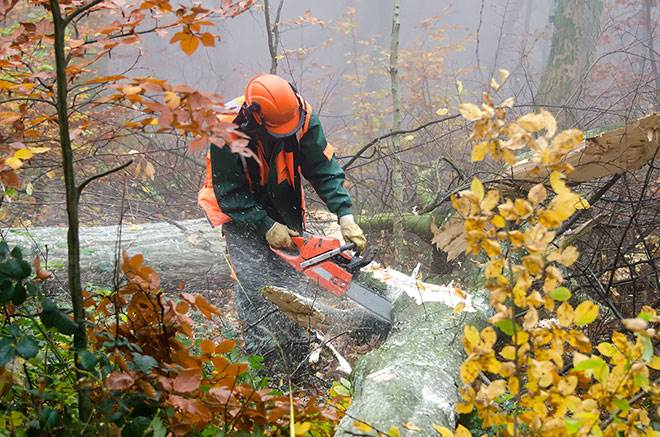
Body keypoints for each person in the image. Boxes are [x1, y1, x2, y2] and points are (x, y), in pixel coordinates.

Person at [197, 73, 366, 368]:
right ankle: (267, 367)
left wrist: (345, 214)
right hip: (240, 213)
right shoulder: (226, 126)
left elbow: (323, 167)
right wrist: (264, 225)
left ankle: (297, 356)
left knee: (292, 281)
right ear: (256, 118)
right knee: (257, 285)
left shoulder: (301, 115)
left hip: (284, 203)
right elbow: (229, 192)